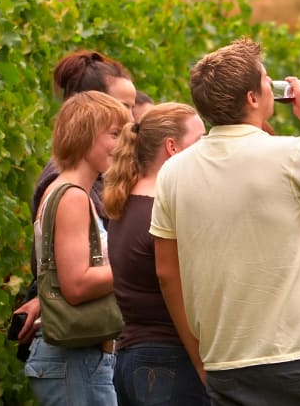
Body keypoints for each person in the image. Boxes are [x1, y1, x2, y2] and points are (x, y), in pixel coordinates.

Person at [150, 37, 300, 405]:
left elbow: (166, 273)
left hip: (224, 364)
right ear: (252, 98)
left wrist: (201, 358)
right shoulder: (292, 154)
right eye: (265, 79)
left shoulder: (172, 173)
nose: (270, 83)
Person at [13, 50, 138, 355]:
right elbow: (68, 275)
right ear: (89, 118)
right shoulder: (68, 187)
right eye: (121, 110)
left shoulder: (93, 178)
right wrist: (139, 265)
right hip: (74, 340)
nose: (131, 124)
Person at [24, 91, 133, 405]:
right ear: (85, 135)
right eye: (114, 134)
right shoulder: (72, 196)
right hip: (74, 359)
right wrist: (130, 268)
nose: (122, 144)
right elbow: (75, 284)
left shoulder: (69, 191)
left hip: (77, 359)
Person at [104, 102, 208, 405]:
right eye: (199, 142)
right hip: (168, 363)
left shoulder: (127, 204)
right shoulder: (160, 213)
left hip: (133, 359)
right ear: (172, 147)